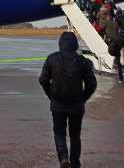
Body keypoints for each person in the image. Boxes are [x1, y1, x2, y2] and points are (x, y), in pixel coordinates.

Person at [39, 32, 97, 168]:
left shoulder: (52, 58)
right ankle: (75, 162)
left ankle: (63, 159)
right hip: (76, 104)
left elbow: (43, 80)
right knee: (75, 135)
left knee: (59, 133)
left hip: (58, 103)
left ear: (60, 44)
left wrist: (51, 95)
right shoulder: (83, 61)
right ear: (75, 44)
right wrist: (83, 98)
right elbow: (92, 84)